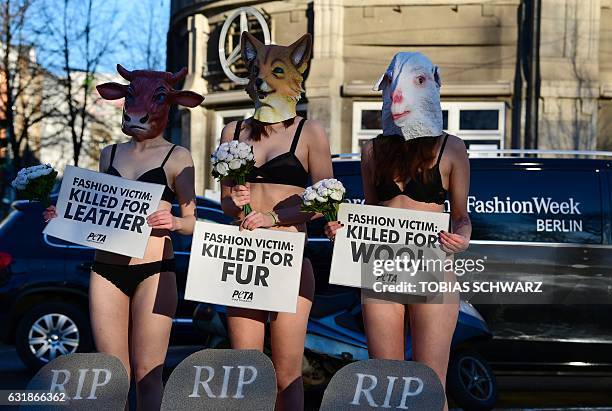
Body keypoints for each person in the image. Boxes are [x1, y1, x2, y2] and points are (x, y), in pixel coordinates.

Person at [43, 65, 204, 411]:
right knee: (112, 375)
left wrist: (175, 222)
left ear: (171, 104)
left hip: (154, 269)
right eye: (131, 97)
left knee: (149, 374)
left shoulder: (178, 157)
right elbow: (98, 210)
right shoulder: (109, 154)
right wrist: (63, 216)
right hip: (106, 271)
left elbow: (193, 221)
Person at [325, 52, 471, 410]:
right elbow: (372, 213)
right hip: (382, 269)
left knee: (430, 381)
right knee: (385, 382)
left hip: (433, 268)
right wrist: (343, 229)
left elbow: (462, 216)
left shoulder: (451, 148)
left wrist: (463, 237)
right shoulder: (373, 150)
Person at [219, 32, 332, 411]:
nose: (262, 78)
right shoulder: (232, 131)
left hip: (289, 259)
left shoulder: (310, 133)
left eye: (274, 70)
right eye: (255, 69)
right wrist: (235, 204)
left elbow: (327, 203)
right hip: (242, 260)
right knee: (245, 372)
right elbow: (224, 203)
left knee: (287, 375)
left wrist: (274, 216)